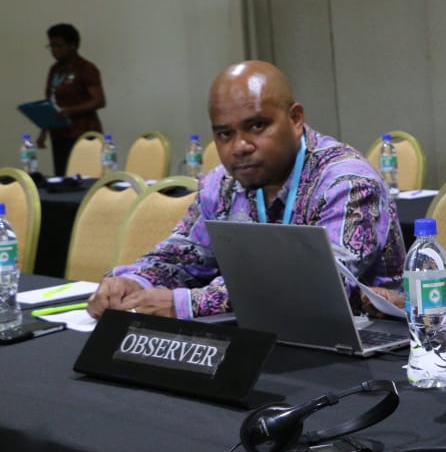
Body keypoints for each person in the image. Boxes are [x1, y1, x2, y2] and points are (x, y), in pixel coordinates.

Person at [87, 60, 405, 319]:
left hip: (365, 355)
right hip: (262, 340)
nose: (240, 146)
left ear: (295, 119)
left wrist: (187, 303)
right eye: (225, 134)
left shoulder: (347, 182)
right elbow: (183, 254)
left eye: (257, 126)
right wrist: (131, 281)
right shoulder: (222, 183)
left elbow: (315, 284)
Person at [39, 23, 106, 176]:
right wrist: (43, 131)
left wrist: (70, 111)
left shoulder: (86, 69)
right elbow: (50, 101)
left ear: (72, 45)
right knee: (63, 178)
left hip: (82, 133)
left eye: (59, 46)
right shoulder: (54, 69)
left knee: (82, 178)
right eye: (51, 46)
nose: (54, 51)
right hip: (59, 133)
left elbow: (99, 100)